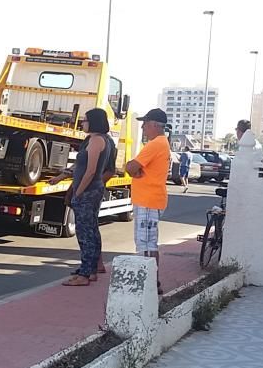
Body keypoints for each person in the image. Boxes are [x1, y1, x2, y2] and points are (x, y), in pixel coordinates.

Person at [48, 108, 114, 286]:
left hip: (88, 191)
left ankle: (84, 274)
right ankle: (90, 270)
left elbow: (90, 170)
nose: (82, 123)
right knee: (91, 230)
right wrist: (61, 177)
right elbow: (79, 166)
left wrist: (78, 192)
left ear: (93, 121)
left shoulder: (96, 141)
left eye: (85, 120)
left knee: (85, 233)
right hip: (93, 190)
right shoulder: (97, 140)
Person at [125, 108, 171, 294]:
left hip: (148, 200)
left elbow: (131, 167)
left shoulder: (154, 144)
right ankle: (153, 281)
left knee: (144, 244)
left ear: (154, 124)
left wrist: (132, 169)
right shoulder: (162, 143)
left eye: (144, 124)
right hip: (152, 199)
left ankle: (147, 282)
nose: (143, 127)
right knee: (150, 243)